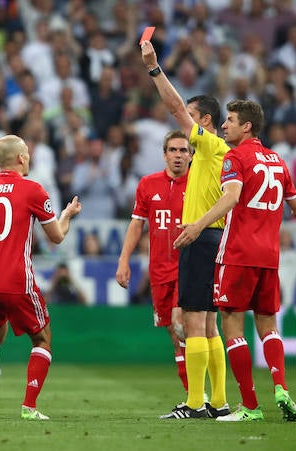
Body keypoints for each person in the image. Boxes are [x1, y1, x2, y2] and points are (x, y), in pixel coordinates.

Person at [174, 99, 296, 422]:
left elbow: (232, 196)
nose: (224, 125)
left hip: (237, 253)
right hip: (270, 257)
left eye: (230, 120)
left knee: (232, 325)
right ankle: (280, 386)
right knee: (268, 325)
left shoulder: (235, 157)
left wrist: (197, 225)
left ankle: (249, 406)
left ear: (246, 126)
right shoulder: (278, 160)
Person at [0, 135, 81, 421]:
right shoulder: (33, 189)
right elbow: (56, 237)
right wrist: (67, 214)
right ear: (22, 158)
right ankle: (29, 408)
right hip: (15, 279)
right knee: (42, 338)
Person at [142, 40, 229, 419]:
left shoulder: (208, 146)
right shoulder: (221, 154)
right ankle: (220, 403)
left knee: (194, 321)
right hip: (216, 237)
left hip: (201, 237)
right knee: (210, 324)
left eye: (194, 118)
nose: (185, 125)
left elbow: (175, 106)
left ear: (204, 121)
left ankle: (195, 404)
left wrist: (154, 69)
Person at [116, 130, 193, 399]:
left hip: (189, 269)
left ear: (191, 156)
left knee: (183, 325)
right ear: (164, 154)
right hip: (159, 270)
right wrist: (124, 260)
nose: (178, 156)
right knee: (175, 336)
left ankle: (201, 397)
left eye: (184, 150)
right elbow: (137, 224)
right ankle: (195, 398)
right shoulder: (148, 184)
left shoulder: (198, 184)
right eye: (173, 150)